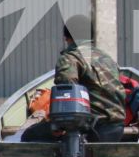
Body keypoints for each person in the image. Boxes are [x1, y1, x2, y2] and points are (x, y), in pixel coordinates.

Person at [21, 13, 128, 142]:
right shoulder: (108, 59)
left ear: (67, 38)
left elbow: (66, 97)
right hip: (117, 128)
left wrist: (56, 126)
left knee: (28, 135)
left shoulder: (69, 59)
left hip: (91, 130)